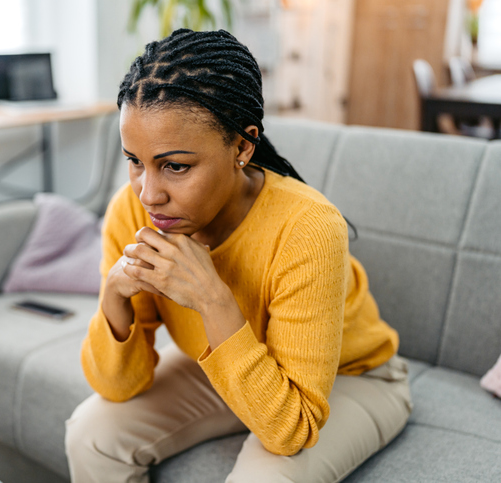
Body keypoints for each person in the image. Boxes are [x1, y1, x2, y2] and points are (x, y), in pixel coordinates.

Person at [65, 29, 413, 483]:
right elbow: (118, 387)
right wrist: (114, 298)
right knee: (91, 434)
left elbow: (291, 429)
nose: (149, 194)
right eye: (135, 161)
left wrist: (212, 298)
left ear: (242, 146)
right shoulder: (130, 210)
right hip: (231, 368)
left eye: (176, 166)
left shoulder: (307, 228)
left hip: (351, 379)